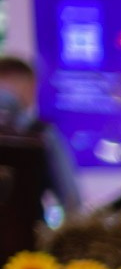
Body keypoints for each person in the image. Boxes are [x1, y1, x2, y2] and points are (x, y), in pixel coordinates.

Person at [0, 56, 81, 224]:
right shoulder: (45, 135)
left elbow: (71, 199)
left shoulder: (44, 134)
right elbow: (71, 198)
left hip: (27, 231)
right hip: (27, 232)